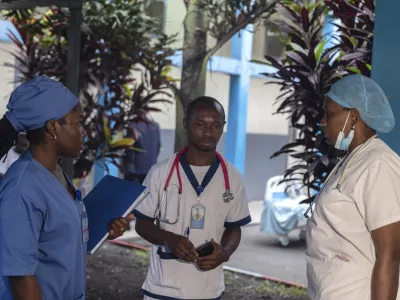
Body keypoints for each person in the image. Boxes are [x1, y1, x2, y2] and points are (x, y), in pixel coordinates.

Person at [0, 76, 133, 300]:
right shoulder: (22, 189)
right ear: (52, 128)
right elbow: (20, 276)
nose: (83, 132)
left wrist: (102, 229)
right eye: (77, 123)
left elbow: (57, 238)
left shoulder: (56, 174)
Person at [133, 96, 251, 299]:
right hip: (162, 290)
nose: (208, 132)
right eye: (200, 124)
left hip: (208, 290)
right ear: (186, 125)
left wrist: (225, 252)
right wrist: (168, 238)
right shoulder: (161, 173)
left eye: (216, 125)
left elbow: (234, 227)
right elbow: (142, 223)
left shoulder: (232, 178)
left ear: (223, 127)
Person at [306, 74, 400, 300]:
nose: (323, 122)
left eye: (329, 114)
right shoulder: (352, 160)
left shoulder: (378, 164)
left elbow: (391, 255)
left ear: (353, 116)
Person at [124, 116, 161, 184]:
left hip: (134, 171)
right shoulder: (155, 126)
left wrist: (127, 169)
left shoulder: (132, 126)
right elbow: (158, 147)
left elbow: (129, 149)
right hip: (151, 170)